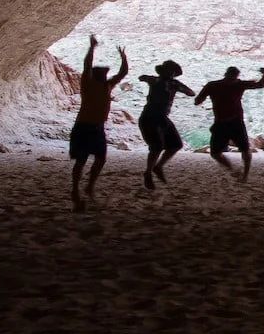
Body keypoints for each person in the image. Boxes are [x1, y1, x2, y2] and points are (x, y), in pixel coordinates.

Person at [68, 34, 128, 210]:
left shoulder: (107, 85)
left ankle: (89, 186)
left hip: (97, 128)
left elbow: (123, 72)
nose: (105, 74)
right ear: (96, 74)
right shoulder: (87, 83)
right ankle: (76, 191)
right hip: (83, 127)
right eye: (102, 73)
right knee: (81, 161)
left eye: (105, 73)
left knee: (100, 159)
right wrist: (91, 48)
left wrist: (123, 57)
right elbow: (86, 65)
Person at [194, 65, 264, 180]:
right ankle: (243, 174)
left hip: (224, 123)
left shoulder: (213, 85)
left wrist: (200, 99)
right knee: (243, 149)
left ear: (226, 74)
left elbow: (197, 101)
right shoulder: (238, 84)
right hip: (234, 123)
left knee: (217, 152)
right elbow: (260, 84)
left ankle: (237, 171)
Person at [137, 60, 195, 190]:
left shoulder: (170, 83)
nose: (172, 74)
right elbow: (142, 78)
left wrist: (175, 85)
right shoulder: (159, 81)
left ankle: (158, 167)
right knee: (156, 146)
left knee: (176, 145)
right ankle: (148, 173)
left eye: (174, 72)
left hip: (161, 118)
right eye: (171, 71)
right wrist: (172, 84)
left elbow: (191, 93)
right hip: (150, 117)